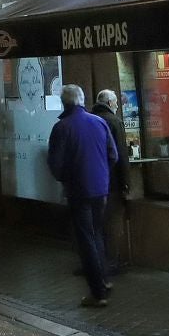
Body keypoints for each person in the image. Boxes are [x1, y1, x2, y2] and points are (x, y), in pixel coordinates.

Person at [48, 84, 119, 309]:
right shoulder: (99, 122)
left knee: (85, 240)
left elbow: (56, 165)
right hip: (101, 189)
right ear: (82, 100)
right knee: (97, 234)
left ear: (64, 103)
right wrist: (102, 175)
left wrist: (68, 178)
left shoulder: (62, 128)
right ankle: (105, 279)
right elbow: (113, 155)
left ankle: (97, 292)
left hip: (78, 191)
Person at [91, 89, 131, 268]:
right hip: (111, 183)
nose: (116, 106)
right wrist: (126, 183)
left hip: (91, 182)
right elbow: (120, 155)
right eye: (115, 103)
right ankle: (111, 261)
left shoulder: (90, 120)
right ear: (109, 103)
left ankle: (96, 262)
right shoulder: (114, 122)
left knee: (95, 225)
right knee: (113, 223)